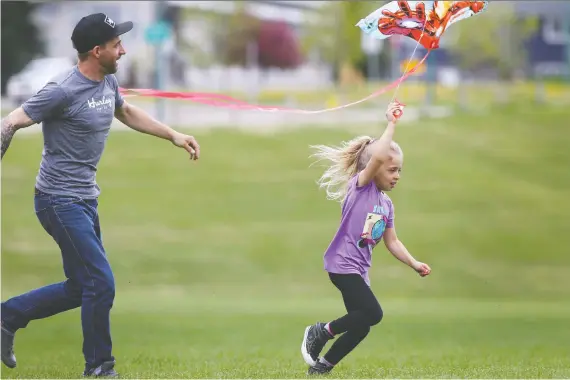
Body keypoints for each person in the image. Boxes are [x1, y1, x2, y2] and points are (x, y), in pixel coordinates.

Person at [1, 13, 200, 377]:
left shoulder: (107, 82)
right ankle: (100, 368)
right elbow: (12, 120)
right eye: (116, 45)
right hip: (57, 201)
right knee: (100, 283)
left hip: (86, 200)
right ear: (96, 51)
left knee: (81, 287)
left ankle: (7, 315)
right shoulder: (62, 89)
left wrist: (172, 134)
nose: (122, 51)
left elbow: (124, 111)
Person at [300, 102, 431, 375]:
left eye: (399, 171)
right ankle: (320, 332)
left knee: (361, 325)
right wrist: (391, 123)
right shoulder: (361, 188)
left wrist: (414, 263)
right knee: (375, 314)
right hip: (342, 265)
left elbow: (392, 242)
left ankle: (322, 367)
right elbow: (379, 156)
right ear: (375, 167)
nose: (397, 176)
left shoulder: (387, 205)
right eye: (391, 170)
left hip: (358, 271)